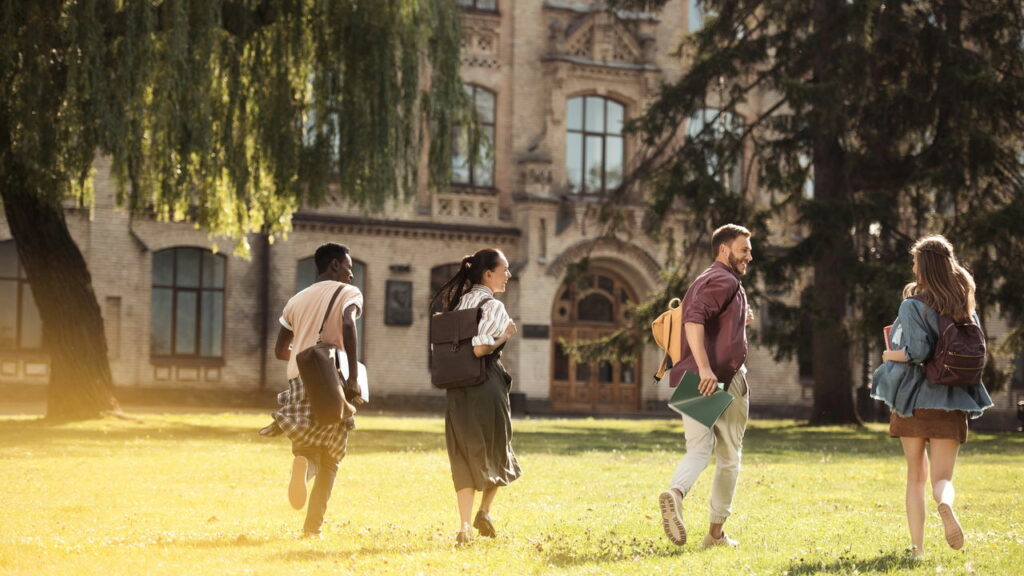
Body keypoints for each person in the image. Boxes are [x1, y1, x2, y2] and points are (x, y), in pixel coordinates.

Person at [871, 235, 993, 559]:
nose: (913, 268)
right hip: (952, 401)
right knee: (942, 479)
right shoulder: (964, 304)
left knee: (915, 476)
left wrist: (889, 355)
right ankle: (945, 504)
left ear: (924, 267)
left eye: (915, 263)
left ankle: (918, 549)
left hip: (912, 402)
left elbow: (917, 352)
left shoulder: (912, 305)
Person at [659, 224, 754, 549]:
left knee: (699, 449)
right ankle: (715, 535)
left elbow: (705, 318)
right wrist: (705, 369)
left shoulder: (706, 279)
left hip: (692, 377)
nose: (749, 256)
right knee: (729, 456)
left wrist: (740, 318)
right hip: (721, 378)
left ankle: (675, 493)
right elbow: (694, 320)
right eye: (744, 249)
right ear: (724, 249)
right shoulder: (725, 280)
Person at [259, 242, 363, 538]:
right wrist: (354, 377)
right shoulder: (348, 293)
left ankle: (303, 468)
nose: (351, 275)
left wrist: (304, 354)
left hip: (298, 380)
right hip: (332, 381)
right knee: (331, 457)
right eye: (348, 267)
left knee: (306, 448)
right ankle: (311, 529)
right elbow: (348, 324)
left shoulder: (296, 300)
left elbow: (280, 350)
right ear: (334, 264)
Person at [430, 248, 521, 546]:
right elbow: (480, 349)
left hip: (457, 387)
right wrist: (505, 335)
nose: (508, 275)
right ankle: (485, 511)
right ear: (488, 274)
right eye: (504, 270)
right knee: (496, 445)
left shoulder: (458, 304)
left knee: (462, 452)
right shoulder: (493, 306)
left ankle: (465, 527)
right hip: (485, 382)